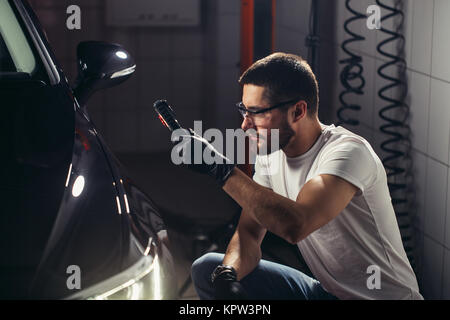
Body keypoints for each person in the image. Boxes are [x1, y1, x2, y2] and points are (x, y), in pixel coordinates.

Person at [173, 52, 423, 300]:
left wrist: (220, 169)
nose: (245, 126)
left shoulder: (348, 153)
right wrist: (228, 275)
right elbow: (249, 233)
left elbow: (296, 225)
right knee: (209, 269)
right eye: (244, 111)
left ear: (298, 111)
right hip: (325, 293)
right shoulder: (270, 155)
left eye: (257, 113)